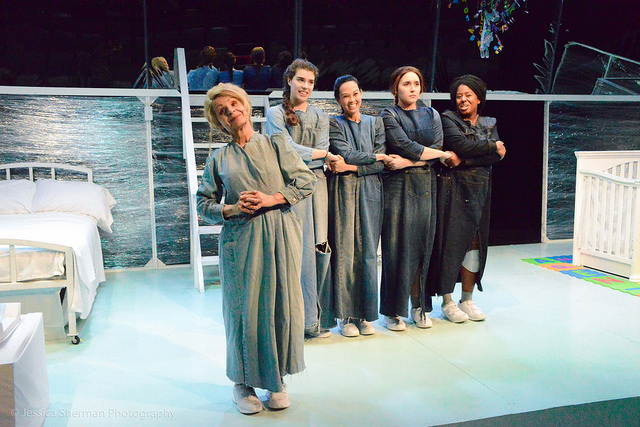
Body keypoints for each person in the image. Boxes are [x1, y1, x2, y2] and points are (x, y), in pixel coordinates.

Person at [197, 83, 316, 414]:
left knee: (279, 305)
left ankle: (277, 381)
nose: (230, 111)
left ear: (245, 106)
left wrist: (271, 198)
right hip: (240, 241)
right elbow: (202, 203)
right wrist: (232, 209)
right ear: (219, 122)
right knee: (242, 311)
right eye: (222, 110)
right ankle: (242, 384)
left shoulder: (276, 143)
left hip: (278, 235)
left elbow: (306, 181)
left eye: (234, 104)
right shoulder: (218, 158)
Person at [265, 58, 338, 339]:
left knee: (317, 250)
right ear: (289, 81)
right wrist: (323, 156)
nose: (305, 86)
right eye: (301, 80)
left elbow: (319, 148)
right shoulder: (275, 114)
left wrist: (320, 155)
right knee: (291, 253)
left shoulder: (321, 116)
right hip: (288, 187)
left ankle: (312, 320)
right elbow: (284, 150)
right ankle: (288, 324)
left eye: (310, 82)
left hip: (316, 187)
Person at [428, 74, 506, 322]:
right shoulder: (448, 119)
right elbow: (461, 145)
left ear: (479, 98)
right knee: (450, 243)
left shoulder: (489, 122)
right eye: (458, 96)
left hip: (479, 189)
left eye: (467, 95)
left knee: (474, 243)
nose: (462, 100)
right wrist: (493, 146)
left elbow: (494, 158)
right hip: (453, 188)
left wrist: (468, 158)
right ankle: (448, 301)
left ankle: (467, 298)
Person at [379, 66, 451, 332]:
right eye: (407, 83)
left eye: (416, 83)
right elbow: (404, 144)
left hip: (425, 185)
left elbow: (439, 147)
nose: (412, 88)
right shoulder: (389, 114)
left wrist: (409, 163)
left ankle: (419, 306)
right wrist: (432, 156)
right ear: (395, 88)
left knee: (423, 246)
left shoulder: (432, 113)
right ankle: (392, 311)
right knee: (396, 248)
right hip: (397, 188)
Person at [328, 75, 389, 337]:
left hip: (371, 191)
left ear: (361, 93)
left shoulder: (376, 123)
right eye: (345, 96)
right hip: (344, 192)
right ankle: (345, 316)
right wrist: (375, 157)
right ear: (338, 100)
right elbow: (347, 152)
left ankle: (365, 315)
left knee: (367, 252)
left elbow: (379, 165)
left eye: (355, 93)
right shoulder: (334, 123)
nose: (351, 100)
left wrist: (351, 167)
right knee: (345, 251)